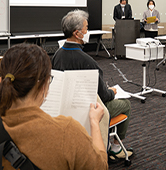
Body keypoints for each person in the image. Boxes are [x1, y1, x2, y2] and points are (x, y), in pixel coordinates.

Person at [0, 44, 108, 170]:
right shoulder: (67, 133)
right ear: (44, 87)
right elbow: (100, 167)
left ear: (0, 81)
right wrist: (94, 123)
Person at [52, 10, 133, 161]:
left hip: (63, 109)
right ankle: (114, 147)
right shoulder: (88, 61)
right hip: (88, 110)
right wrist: (112, 91)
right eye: (86, 28)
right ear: (77, 33)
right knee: (126, 104)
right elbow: (104, 96)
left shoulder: (57, 55)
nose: (87, 31)